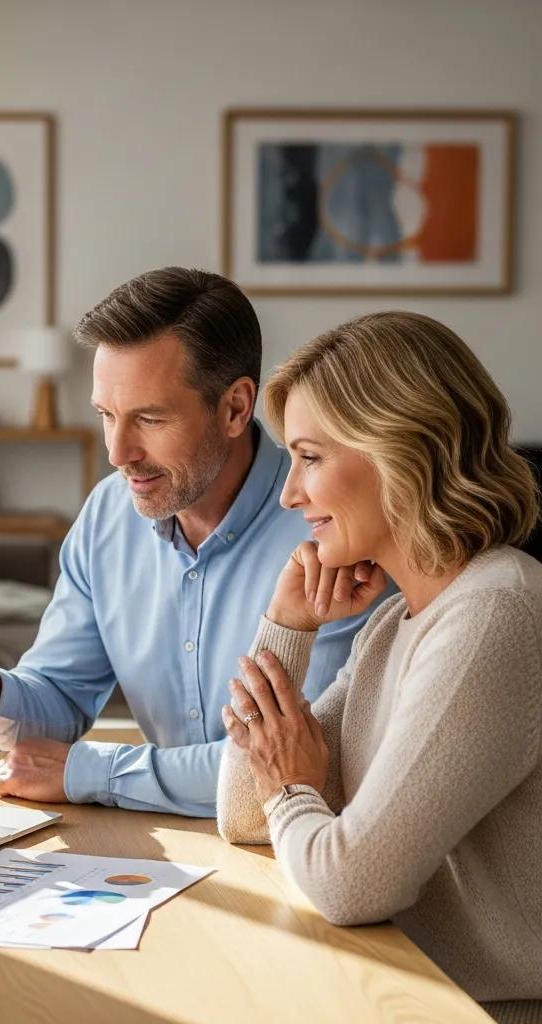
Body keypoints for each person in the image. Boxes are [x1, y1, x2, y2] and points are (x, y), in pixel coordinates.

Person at [0, 267, 379, 816]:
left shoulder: (329, 527)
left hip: (293, 844)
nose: (117, 452)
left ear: (235, 409)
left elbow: (303, 760)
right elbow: (59, 694)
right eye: (106, 415)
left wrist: (90, 771)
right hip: (163, 845)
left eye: (148, 418)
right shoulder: (108, 514)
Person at [217, 312, 541, 1021]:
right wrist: (287, 626)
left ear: (401, 449)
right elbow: (245, 813)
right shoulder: (396, 624)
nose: (288, 494)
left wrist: (294, 788)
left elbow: (350, 882)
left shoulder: (494, 614)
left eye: (309, 457)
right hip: (396, 990)